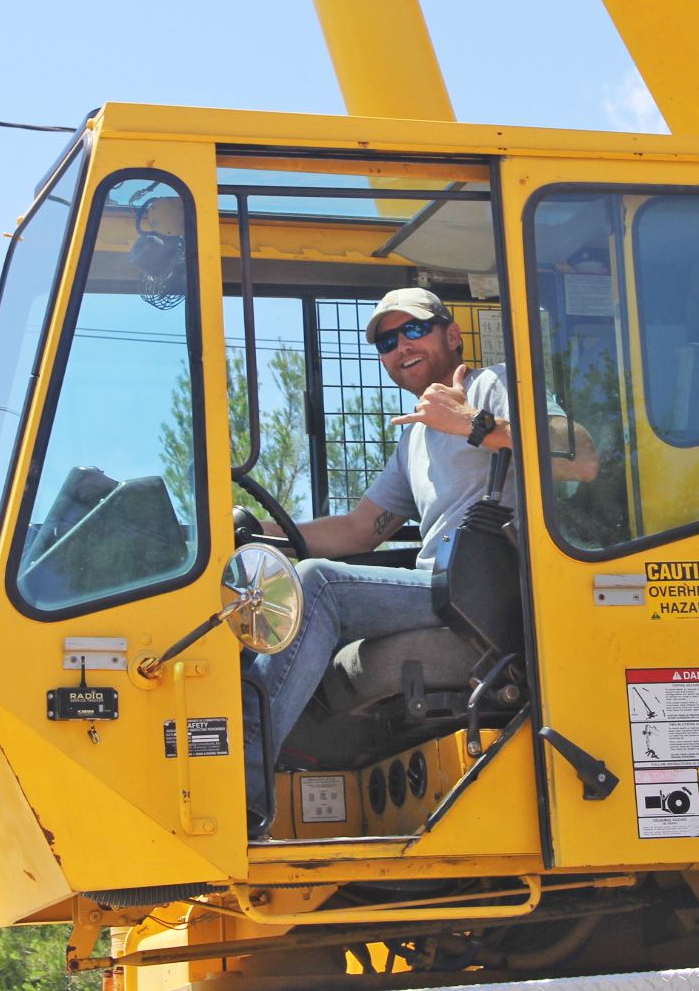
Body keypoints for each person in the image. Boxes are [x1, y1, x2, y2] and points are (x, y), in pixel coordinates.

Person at [242, 287, 597, 828]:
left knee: (316, 587)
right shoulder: (413, 438)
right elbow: (359, 531)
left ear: (452, 335)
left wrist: (475, 424)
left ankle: (241, 786)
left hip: (488, 597)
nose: (399, 346)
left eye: (414, 330)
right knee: (269, 591)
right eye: (386, 340)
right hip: (439, 591)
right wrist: (251, 535)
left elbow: (583, 458)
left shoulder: (491, 385)